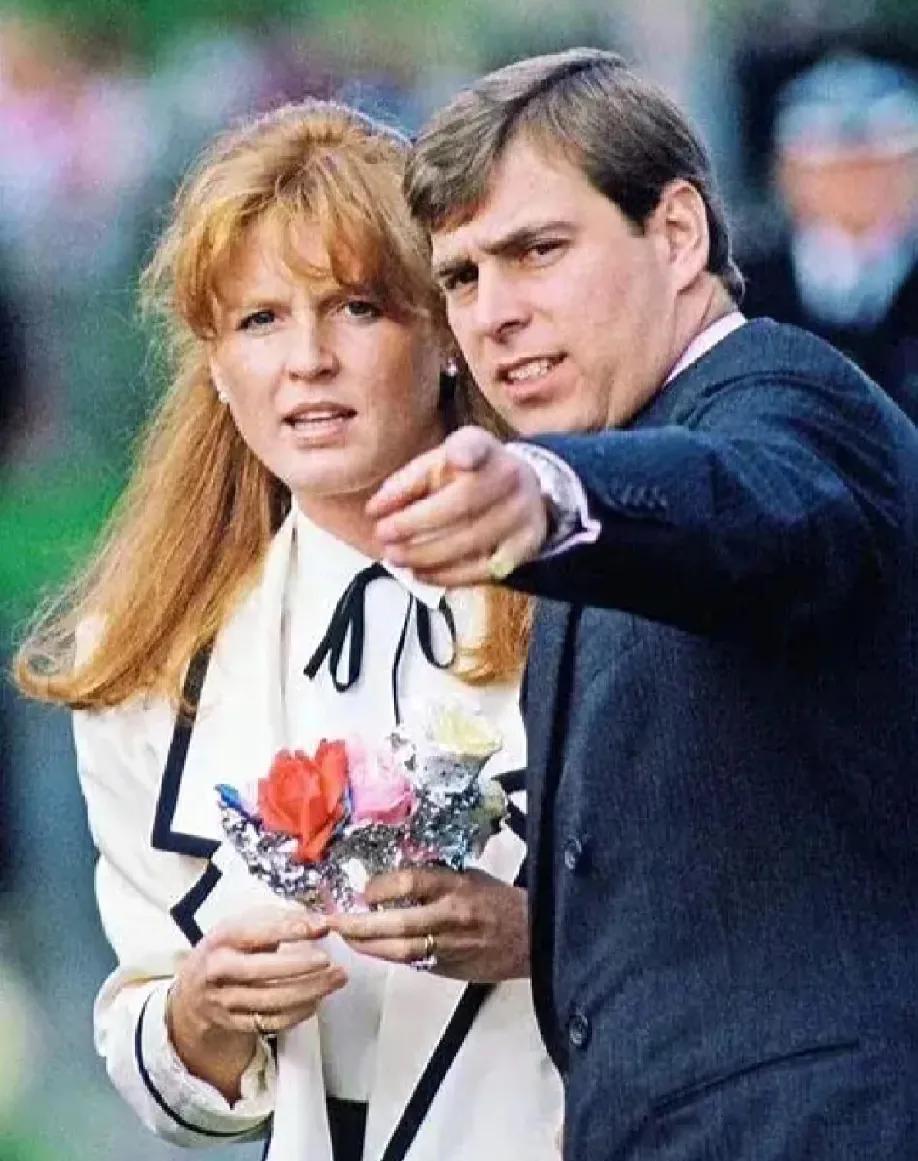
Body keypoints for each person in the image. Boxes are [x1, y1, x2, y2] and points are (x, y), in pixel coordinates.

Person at [363, 48, 918, 1160]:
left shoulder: (787, 401)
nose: (495, 314)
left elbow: (747, 504)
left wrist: (550, 493)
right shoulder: (606, 470)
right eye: (462, 277)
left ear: (676, 234)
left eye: (538, 250)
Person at [14, 100, 562, 1160]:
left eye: (357, 308)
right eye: (260, 320)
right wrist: (200, 1014)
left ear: (447, 337)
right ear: (217, 368)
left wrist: (543, 940)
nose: (307, 359)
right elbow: (161, 1049)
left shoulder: (593, 593)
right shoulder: (144, 664)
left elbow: (741, 929)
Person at [741, 50, 918, 420]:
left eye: (881, 165)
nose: (858, 185)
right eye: (832, 169)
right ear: (786, 172)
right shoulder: (743, 286)